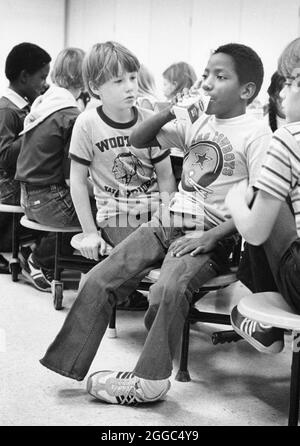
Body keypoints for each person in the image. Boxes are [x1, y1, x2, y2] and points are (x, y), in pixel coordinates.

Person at [40, 43, 272, 406]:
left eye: (220, 76)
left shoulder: (256, 133)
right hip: (170, 218)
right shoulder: (198, 121)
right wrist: (169, 112)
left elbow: (259, 200)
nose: (208, 83)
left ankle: (149, 381)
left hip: (211, 233)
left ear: (247, 91)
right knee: (102, 276)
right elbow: (138, 139)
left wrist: (212, 236)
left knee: (167, 289)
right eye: (206, 74)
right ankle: (66, 363)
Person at [67, 41, 176, 308]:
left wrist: (167, 216)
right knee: (148, 252)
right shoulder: (87, 123)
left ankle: (108, 283)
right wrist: (89, 232)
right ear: (95, 88)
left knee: (183, 252)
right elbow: (78, 182)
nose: (129, 86)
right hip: (117, 214)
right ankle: (99, 287)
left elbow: (165, 176)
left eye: (132, 78)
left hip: (155, 213)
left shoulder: (149, 118)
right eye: (118, 81)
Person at [225, 37, 300, 354]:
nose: (282, 94)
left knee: (258, 196)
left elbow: (255, 232)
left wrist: (236, 201)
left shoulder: (288, 136)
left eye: (291, 83)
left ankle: (266, 323)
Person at [15, 47, 85, 291]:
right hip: (48, 201)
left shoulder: (47, 102)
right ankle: (40, 260)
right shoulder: (71, 114)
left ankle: (37, 252)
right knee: (100, 214)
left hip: (28, 197)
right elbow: (70, 178)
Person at [0, 42, 51, 274]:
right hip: (8, 186)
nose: (45, 83)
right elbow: (4, 157)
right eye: (42, 77)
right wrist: (34, 127)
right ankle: (39, 251)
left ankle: (38, 247)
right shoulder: (8, 111)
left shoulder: (24, 106)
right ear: (23, 77)